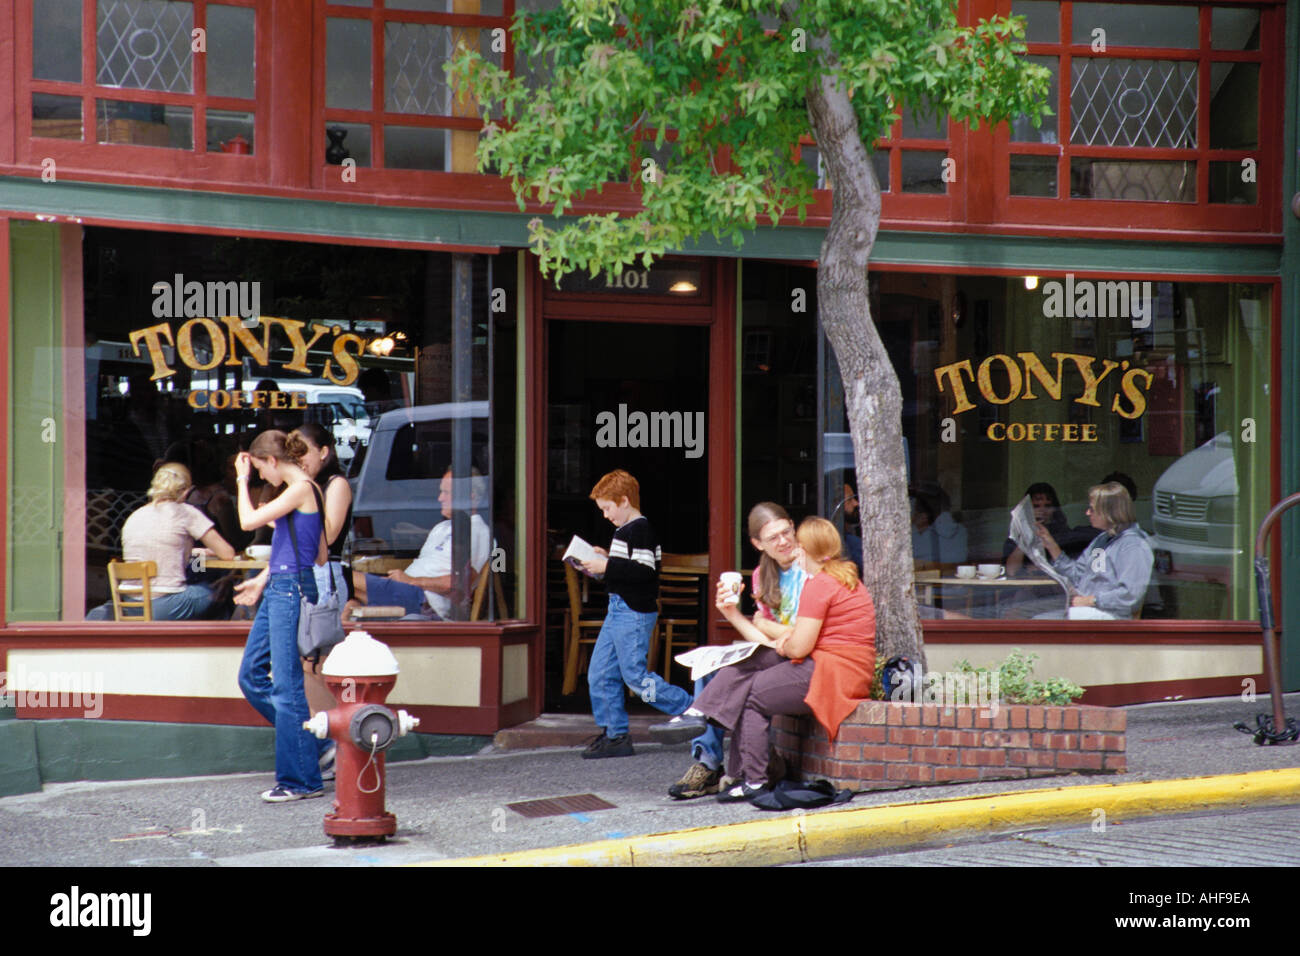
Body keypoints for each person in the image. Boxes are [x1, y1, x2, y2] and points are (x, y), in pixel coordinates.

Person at [686, 517, 876, 801]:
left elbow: (799, 647)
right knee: (750, 675)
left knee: (751, 695)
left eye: (798, 544)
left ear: (807, 551)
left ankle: (754, 780)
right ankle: (703, 719)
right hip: (837, 666)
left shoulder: (820, 585)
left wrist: (783, 642)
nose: (794, 550)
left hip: (831, 673)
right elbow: (802, 639)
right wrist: (783, 640)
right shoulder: (843, 576)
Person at [652, 501, 809, 799]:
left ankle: (700, 720)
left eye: (786, 531)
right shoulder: (762, 575)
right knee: (710, 671)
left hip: (803, 657)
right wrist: (731, 614)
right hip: (778, 652)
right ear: (757, 544)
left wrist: (766, 625)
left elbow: (798, 635)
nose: (784, 541)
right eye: (773, 538)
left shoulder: (809, 566)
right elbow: (763, 638)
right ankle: (708, 761)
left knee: (736, 679)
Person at [233, 430, 330, 803]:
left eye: (260, 470)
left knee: (287, 688)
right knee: (251, 675)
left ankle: (299, 781)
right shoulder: (307, 493)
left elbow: (245, 521)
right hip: (283, 586)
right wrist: (262, 581)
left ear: (272, 461)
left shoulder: (301, 488)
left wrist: (241, 480)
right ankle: (312, 749)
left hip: (290, 590)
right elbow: (320, 554)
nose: (261, 478)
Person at [576, 469, 694, 759]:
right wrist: (604, 561)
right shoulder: (626, 531)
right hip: (619, 608)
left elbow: (644, 572)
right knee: (600, 673)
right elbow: (629, 571)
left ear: (624, 500)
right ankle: (615, 735)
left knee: (636, 678)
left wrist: (608, 566)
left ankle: (693, 709)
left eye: (607, 508)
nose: (605, 515)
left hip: (632, 612)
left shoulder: (639, 529)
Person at [87, 462, 237, 620]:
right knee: (217, 588)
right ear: (186, 491)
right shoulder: (185, 512)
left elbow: (157, 549)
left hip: (130, 604)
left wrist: (194, 552)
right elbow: (227, 554)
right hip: (165, 605)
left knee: (196, 571)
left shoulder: (135, 515)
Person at [343, 468, 490, 621]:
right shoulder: (441, 528)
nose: (440, 498)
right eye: (441, 492)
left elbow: (462, 583)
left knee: (342, 576)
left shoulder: (477, 530)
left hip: (426, 604)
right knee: (349, 602)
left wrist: (411, 581)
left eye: (447, 493)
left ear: (471, 497)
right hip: (407, 594)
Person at [1034, 481, 1154, 620]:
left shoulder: (1133, 545)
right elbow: (1077, 576)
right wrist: (1052, 546)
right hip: (1085, 606)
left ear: (1108, 511)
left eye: (1092, 509)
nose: (1087, 513)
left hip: (1111, 614)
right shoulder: (1102, 539)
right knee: (1022, 612)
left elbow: (1130, 595)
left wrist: (1092, 600)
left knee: (1039, 623)